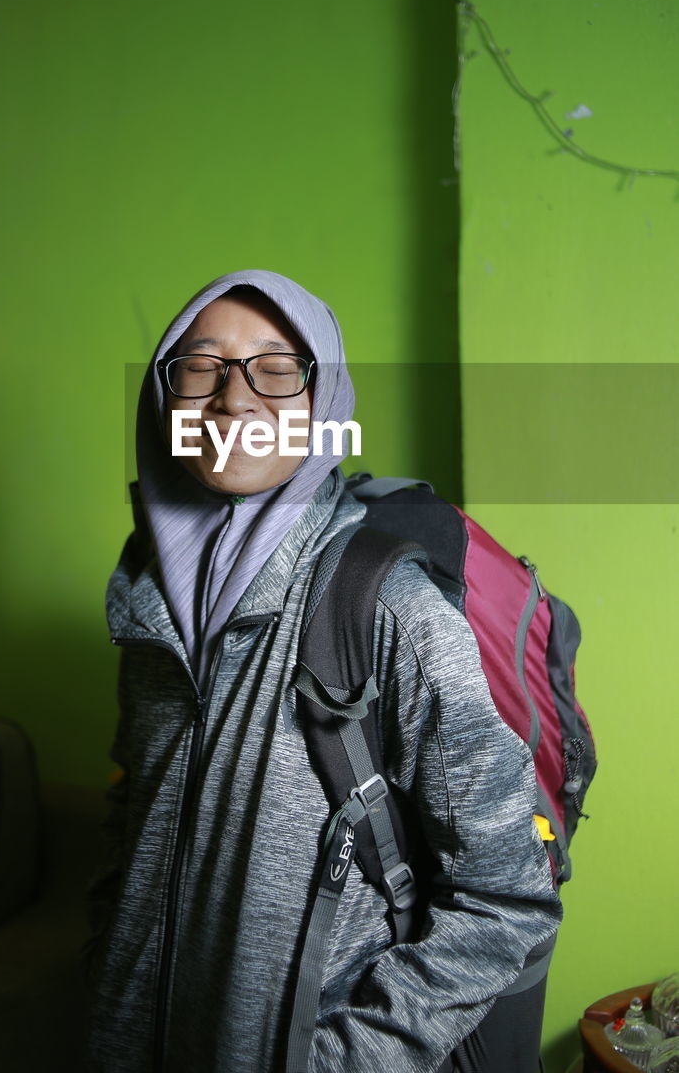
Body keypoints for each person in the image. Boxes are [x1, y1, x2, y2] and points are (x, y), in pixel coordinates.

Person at [82, 269, 562, 1073]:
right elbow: (137, 814)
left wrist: (345, 1059)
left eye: (277, 369)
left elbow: (505, 900)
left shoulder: (383, 607)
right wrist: (107, 967)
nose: (234, 402)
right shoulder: (147, 603)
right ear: (164, 402)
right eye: (199, 367)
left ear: (323, 405)